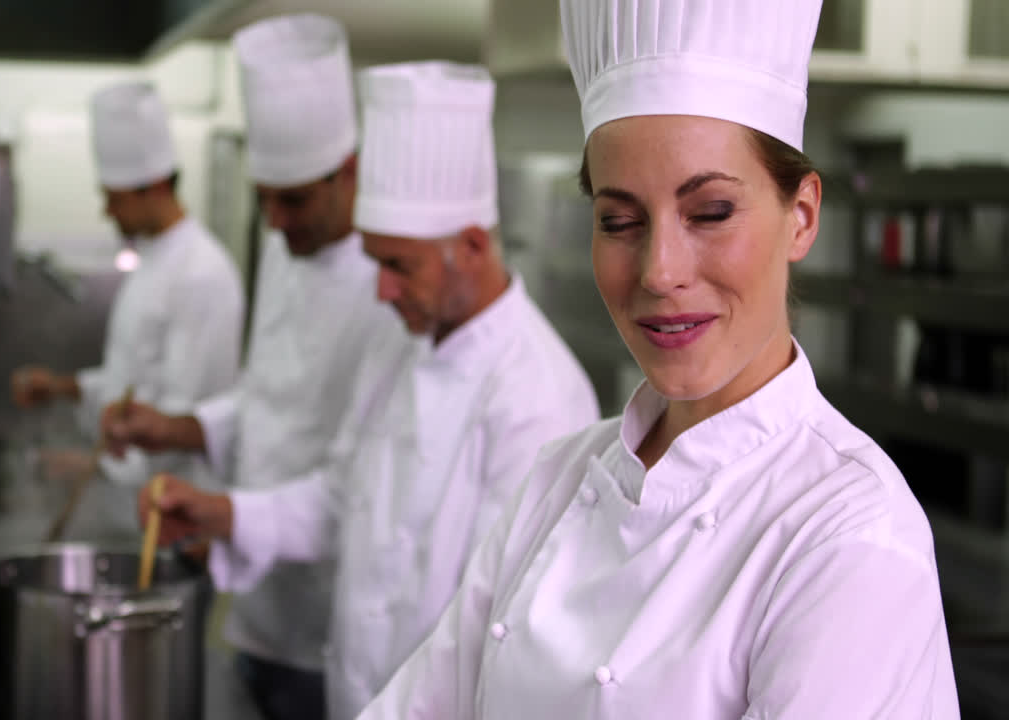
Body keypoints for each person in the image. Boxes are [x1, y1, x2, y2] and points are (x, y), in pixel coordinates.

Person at [355, 1, 961, 718]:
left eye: (710, 212)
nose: (658, 271)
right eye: (620, 221)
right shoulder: (560, 476)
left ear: (801, 216)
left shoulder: (849, 533)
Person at [138, 61, 602, 720]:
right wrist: (225, 513)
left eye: (396, 266)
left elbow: (495, 632)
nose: (379, 290)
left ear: (471, 246)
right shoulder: (399, 344)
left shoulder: (539, 396)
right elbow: (341, 497)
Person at [101, 15, 398, 720]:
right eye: (266, 198)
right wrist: (178, 429)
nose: (273, 222)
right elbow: (267, 401)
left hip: (329, 619)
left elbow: (351, 481)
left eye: (292, 200)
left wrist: (225, 512)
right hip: (252, 598)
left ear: (348, 173)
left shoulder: (389, 290)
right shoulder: (285, 252)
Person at [9, 81, 244, 532]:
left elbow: (182, 420)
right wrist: (60, 387)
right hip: (128, 499)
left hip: (170, 512)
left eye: (114, 198)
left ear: (153, 187)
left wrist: (92, 466)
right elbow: (133, 381)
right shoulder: (154, 259)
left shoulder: (202, 274)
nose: (107, 212)